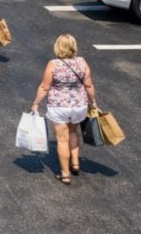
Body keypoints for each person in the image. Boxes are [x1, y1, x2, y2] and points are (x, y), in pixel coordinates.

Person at [30, 34, 97, 185]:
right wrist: (93, 102)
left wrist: (36, 103)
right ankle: (75, 164)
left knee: (62, 139)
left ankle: (65, 174)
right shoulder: (82, 62)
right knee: (73, 131)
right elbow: (89, 85)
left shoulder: (53, 64)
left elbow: (45, 87)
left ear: (57, 47)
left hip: (59, 107)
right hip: (79, 106)